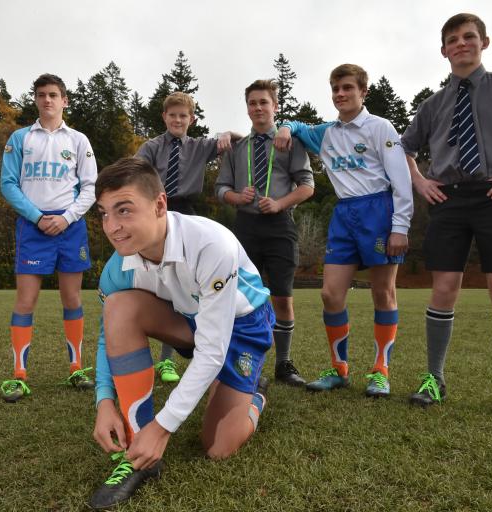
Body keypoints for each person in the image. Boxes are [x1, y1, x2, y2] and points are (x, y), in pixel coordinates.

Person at [88, 157, 274, 509]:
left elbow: (213, 350)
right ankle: (139, 453)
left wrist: (164, 427)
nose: (112, 227)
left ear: (160, 205)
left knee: (217, 447)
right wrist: (104, 400)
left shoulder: (210, 244)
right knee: (119, 306)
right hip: (188, 320)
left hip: (241, 326)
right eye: (104, 214)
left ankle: (256, 395)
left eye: (124, 210)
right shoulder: (118, 265)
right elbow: (108, 334)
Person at [401, 13, 492, 421]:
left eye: (469, 37)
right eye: (453, 40)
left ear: (484, 42)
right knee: (443, 289)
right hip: (448, 200)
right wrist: (419, 182)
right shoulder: (433, 105)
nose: (461, 44)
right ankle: (434, 378)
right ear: (443, 51)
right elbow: (405, 150)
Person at [274, 64, 413, 397]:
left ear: (362, 92)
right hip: (344, 214)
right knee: (330, 294)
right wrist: (283, 127)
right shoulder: (326, 133)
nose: (340, 94)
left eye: (347, 88)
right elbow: (296, 125)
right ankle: (339, 369)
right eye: (335, 89)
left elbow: (402, 181)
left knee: (383, 292)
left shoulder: (381, 128)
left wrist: (400, 226)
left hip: (379, 211)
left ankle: (380, 370)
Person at [0, 73, 97, 402]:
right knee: (26, 301)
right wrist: (38, 217)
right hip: (33, 228)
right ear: (36, 99)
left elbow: (91, 188)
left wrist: (66, 217)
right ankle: (19, 375)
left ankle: (76, 369)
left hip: (70, 229)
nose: (47, 100)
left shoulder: (79, 140)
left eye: (53, 94)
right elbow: (8, 184)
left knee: (72, 299)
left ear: (64, 100)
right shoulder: (20, 137)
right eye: (41, 94)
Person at [215, 79, 314, 386]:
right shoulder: (237, 148)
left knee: (282, 297)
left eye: (264, 102)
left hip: (280, 226)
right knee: (244, 299)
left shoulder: (290, 144)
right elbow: (220, 188)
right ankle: (249, 366)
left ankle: (284, 365)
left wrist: (281, 203)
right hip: (245, 227)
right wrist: (235, 198)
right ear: (247, 108)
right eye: (252, 103)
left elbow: (308, 186)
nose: (258, 108)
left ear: (275, 107)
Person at [135, 91, 235, 383]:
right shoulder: (151, 147)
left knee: (187, 281)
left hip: (188, 213)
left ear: (192, 119)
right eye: (172, 115)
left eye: (183, 116)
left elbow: (238, 141)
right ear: (164, 117)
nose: (178, 120)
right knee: (162, 281)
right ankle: (157, 359)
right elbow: (136, 174)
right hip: (157, 210)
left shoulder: (199, 147)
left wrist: (229, 132)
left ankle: (191, 352)